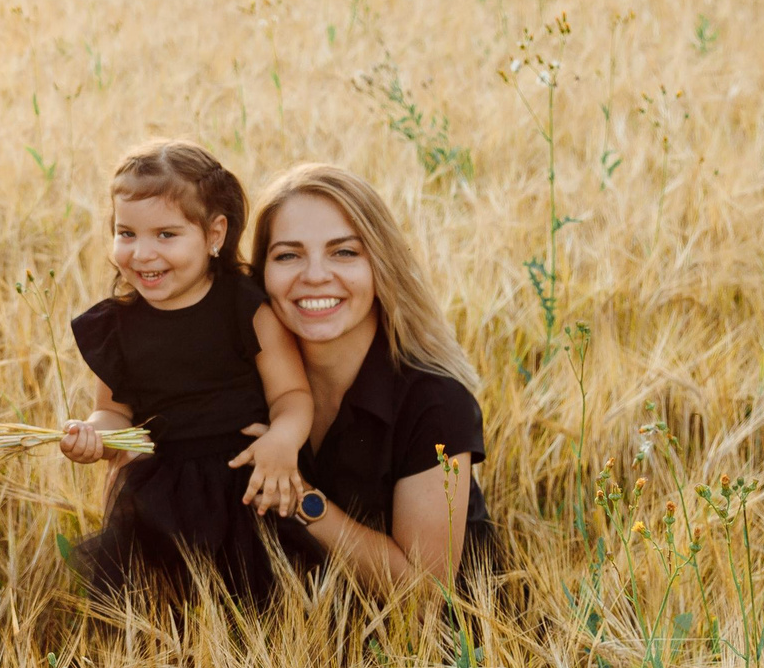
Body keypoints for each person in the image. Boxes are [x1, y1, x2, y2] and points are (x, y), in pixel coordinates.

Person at [59, 141, 316, 604]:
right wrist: (92, 436)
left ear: (214, 233)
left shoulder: (245, 308)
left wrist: (283, 440)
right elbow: (113, 414)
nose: (141, 253)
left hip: (250, 484)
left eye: (166, 235)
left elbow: (292, 396)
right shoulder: (117, 326)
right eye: (126, 233)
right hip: (161, 494)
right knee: (169, 611)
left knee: (262, 609)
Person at [248, 163, 494, 595]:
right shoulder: (247, 383)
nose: (315, 275)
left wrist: (299, 494)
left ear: (381, 265)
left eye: (344, 252)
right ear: (262, 274)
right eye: (288, 255)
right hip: (290, 646)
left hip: (436, 656)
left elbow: (426, 592)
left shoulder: (435, 404)